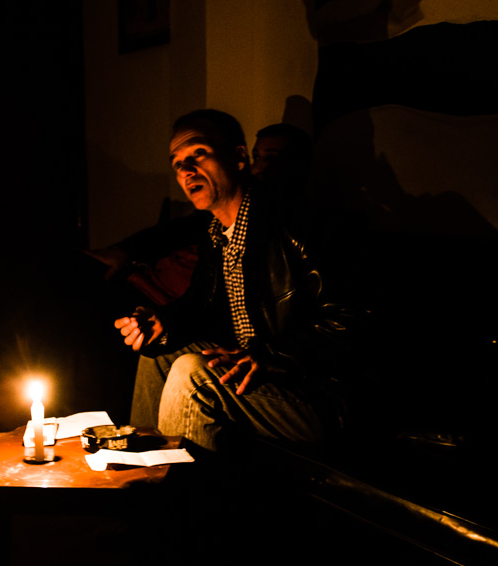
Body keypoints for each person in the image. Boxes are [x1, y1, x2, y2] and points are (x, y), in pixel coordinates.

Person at [114, 109, 353, 453]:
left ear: (239, 157)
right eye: (177, 162)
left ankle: (174, 500)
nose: (185, 170)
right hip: (260, 371)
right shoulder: (216, 233)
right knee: (157, 354)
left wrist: (272, 355)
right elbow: (202, 306)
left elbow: (352, 321)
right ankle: (138, 474)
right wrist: (162, 323)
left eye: (198, 154)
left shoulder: (298, 225)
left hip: (314, 390)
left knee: (190, 373)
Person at [86, 122, 314, 306]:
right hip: (148, 289)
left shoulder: (299, 228)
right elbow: (175, 232)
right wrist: (122, 251)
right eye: (258, 156)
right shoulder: (215, 224)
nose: (261, 166)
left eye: (273, 157)